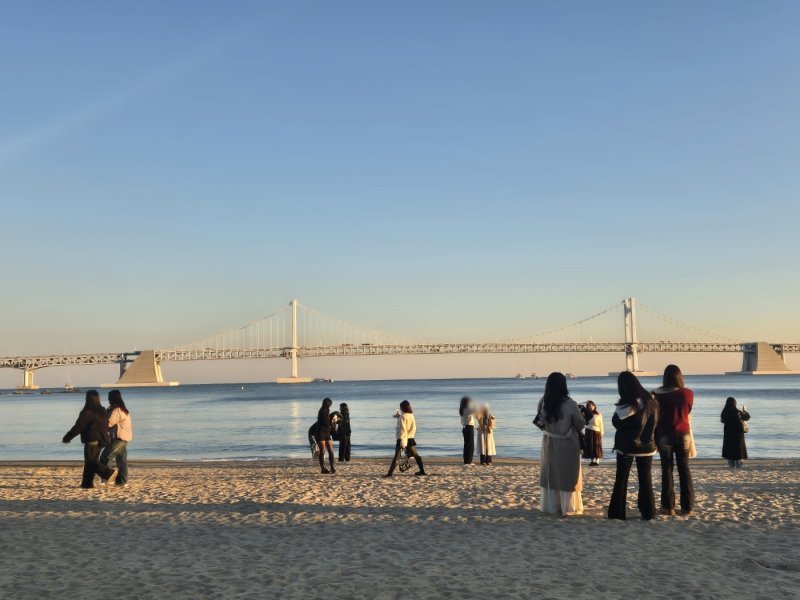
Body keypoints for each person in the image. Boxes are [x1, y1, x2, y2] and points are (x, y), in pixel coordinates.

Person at [608, 371, 658, 521]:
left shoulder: (630, 403)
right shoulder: (652, 399)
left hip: (627, 446)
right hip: (648, 446)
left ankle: (617, 513)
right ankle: (649, 512)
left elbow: (616, 421)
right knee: (645, 479)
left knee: (621, 478)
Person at [536, 372, 584, 516]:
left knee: (551, 473)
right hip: (567, 442)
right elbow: (580, 424)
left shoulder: (543, 402)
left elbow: (540, 423)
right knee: (567, 474)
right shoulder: (569, 403)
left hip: (549, 442)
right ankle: (568, 507)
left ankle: (551, 506)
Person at [653, 364, 695, 516]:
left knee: (667, 469)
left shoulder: (655, 395)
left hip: (664, 434)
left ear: (665, 378)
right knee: (684, 469)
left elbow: (654, 414)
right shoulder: (687, 393)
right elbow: (687, 411)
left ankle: (668, 506)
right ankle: (687, 507)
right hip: (683, 434)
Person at [62, 390, 117, 489]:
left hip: (92, 439)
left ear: (87, 399)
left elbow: (78, 427)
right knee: (91, 462)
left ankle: (108, 473)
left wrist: (67, 437)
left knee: (90, 462)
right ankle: (87, 484)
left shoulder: (87, 412)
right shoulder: (103, 410)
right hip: (102, 439)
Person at [385, 400, 426, 477]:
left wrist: (403, 443)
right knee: (416, 456)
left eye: (400, 407)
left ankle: (389, 474)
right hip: (410, 438)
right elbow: (413, 427)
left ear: (403, 407)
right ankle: (422, 471)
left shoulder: (402, 417)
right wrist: (398, 417)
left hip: (402, 439)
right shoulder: (411, 415)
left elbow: (403, 430)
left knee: (397, 457)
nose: (400, 408)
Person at [100, 389, 133, 486]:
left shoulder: (117, 410)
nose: (108, 400)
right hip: (124, 438)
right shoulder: (122, 409)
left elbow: (109, 423)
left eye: (109, 398)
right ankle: (122, 482)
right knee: (121, 461)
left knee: (105, 458)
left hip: (118, 438)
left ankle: (107, 478)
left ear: (113, 398)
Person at [721, 397, 751, 468]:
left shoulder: (724, 412)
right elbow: (747, 417)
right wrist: (745, 411)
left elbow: (722, 420)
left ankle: (731, 466)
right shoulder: (738, 412)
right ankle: (738, 465)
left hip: (728, 435)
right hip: (738, 434)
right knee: (738, 451)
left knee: (730, 450)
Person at [316, 397, 336, 474]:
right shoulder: (322, 411)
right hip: (321, 432)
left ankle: (332, 467)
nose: (330, 406)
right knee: (322, 451)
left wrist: (333, 421)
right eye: (330, 404)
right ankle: (323, 468)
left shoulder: (327, 410)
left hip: (327, 433)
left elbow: (328, 423)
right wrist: (333, 421)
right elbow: (326, 422)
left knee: (331, 450)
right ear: (327, 404)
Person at [581, 401, 604, 466]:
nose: (591, 407)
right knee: (590, 446)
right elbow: (583, 422)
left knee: (597, 446)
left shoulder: (598, 414)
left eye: (592, 405)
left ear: (594, 406)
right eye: (589, 406)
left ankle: (597, 461)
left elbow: (601, 424)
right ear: (587, 407)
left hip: (597, 431)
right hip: (588, 431)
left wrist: (602, 433)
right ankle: (592, 460)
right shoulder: (585, 414)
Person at [459, 396, 476, 466]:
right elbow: (475, 410)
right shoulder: (467, 409)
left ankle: (466, 461)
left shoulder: (462, 409)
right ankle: (468, 461)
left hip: (465, 428)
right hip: (469, 427)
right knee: (470, 445)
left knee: (466, 445)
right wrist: (473, 403)